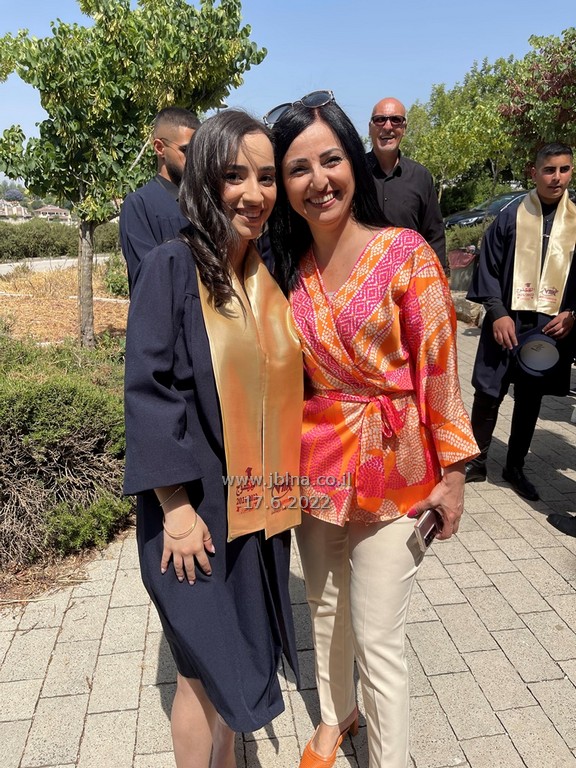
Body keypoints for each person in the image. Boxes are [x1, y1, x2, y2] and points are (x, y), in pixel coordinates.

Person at [266, 91, 478, 768]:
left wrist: (454, 475)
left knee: (379, 634)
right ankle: (336, 717)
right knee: (324, 604)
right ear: (284, 184)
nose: (318, 180)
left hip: (397, 463)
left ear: (354, 163)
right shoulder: (287, 269)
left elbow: (439, 368)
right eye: (298, 168)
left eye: (330, 160)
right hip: (319, 461)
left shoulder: (406, 253)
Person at [123, 109, 303, 768]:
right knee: (200, 671)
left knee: (231, 666)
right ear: (203, 178)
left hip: (254, 506)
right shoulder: (172, 265)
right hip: (192, 513)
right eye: (234, 176)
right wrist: (173, 510)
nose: (254, 193)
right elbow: (148, 390)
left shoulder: (261, 275)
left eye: (265, 177)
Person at [465, 142, 576, 501]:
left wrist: (573, 313)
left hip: (548, 325)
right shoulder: (511, 215)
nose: (556, 177)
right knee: (488, 392)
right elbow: (489, 265)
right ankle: (475, 461)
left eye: (564, 169)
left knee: (530, 397)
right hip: (507, 319)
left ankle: (514, 466)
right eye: (549, 169)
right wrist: (496, 313)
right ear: (534, 172)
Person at [120, 106, 200, 290]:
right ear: (159, 148)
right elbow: (150, 280)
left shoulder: (203, 202)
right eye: (187, 150)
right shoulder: (139, 205)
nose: (195, 158)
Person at [366, 96, 447, 271]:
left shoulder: (421, 177)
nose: (388, 126)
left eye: (396, 120)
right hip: (362, 280)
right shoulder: (353, 174)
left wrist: (439, 276)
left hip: (409, 279)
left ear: (404, 128)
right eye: (380, 120)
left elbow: (434, 234)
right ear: (370, 127)